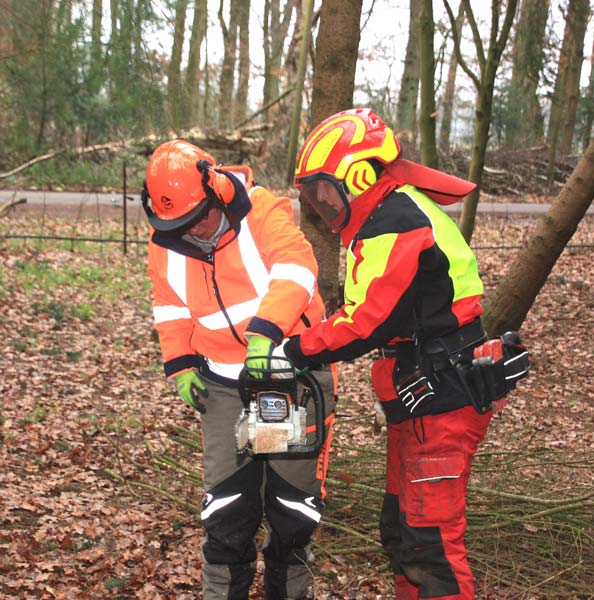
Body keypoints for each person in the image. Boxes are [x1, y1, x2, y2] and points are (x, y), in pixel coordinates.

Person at [283, 108, 529, 599]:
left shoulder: (395, 222)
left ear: (357, 176)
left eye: (325, 191)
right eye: (313, 195)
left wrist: (297, 349)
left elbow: (366, 321)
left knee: (430, 547)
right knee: (401, 532)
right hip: (422, 397)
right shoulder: (386, 216)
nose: (322, 204)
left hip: (442, 401)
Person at [142, 139, 336, 600]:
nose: (190, 232)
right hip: (224, 387)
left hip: (286, 381)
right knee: (228, 509)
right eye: (177, 225)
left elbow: (297, 268)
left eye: (195, 219)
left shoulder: (263, 212)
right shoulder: (165, 242)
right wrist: (181, 363)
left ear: (216, 193)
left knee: (291, 507)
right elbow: (169, 306)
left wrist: (265, 333)